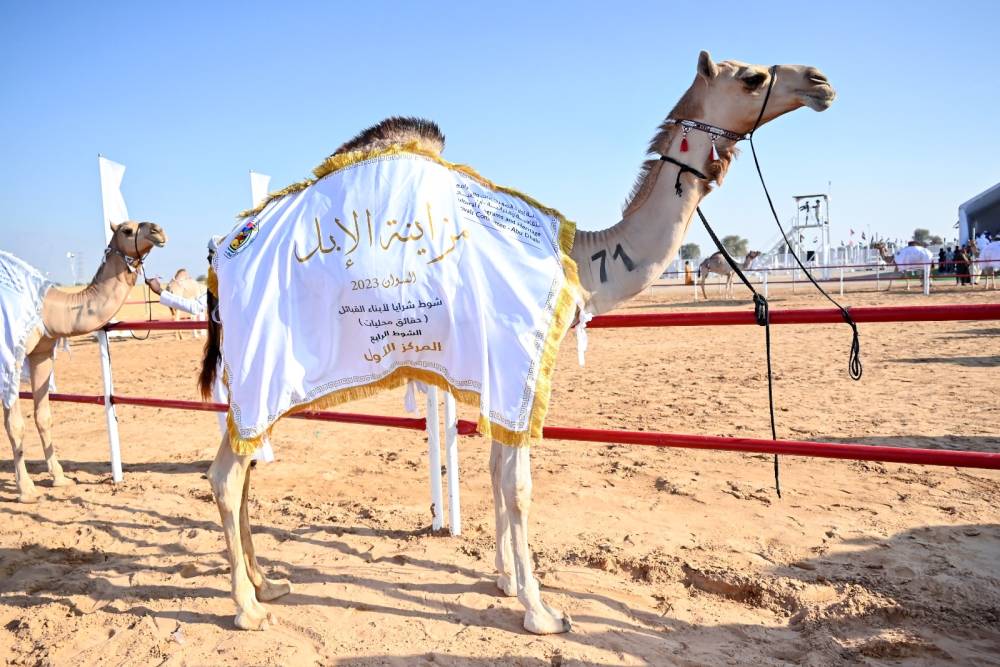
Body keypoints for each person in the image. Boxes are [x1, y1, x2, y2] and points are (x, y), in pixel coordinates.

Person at [145, 273, 275, 462]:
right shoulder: (230, 284)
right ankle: (246, 453)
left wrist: (160, 292)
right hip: (234, 353)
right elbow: (196, 306)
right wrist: (160, 292)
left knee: (236, 402)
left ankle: (246, 453)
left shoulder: (233, 284)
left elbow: (195, 306)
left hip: (235, 353)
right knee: (236, 402)